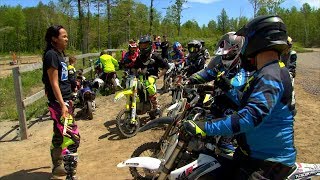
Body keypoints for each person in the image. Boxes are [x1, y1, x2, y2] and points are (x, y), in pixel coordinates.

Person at [182, 15, 296, 179]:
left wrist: (204, 127)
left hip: (268, 162)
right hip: (249, 154)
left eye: (246, 40)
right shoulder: (267, 71)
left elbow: (250, 117)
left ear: (258, 40)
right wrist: (227, 88)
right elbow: (244, 102)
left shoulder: (270, 74)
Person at [188, 32, 249, 154]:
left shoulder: (244, 66)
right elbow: (207, 73)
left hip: (234, 107)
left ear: (236, 49)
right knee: (205, 129)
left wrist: (227, 86)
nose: (224, 54)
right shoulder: (221, 62)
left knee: (223, 145)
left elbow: (237, 85)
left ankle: (228, 146)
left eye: (228, 49)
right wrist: (190, 79)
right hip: (218, 102)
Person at [42, 25, 80, 180]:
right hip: (60, 103)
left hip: (65, 101)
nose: (66, 38)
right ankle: (68, 171)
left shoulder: (59, 55)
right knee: (72, 136)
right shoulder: (51, 55)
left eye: (67, 36)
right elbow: (54, 82)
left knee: (59, 134)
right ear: (54, 38)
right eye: (63, 36)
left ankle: (58, 167)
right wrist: (62, 104)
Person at [133, 35, 169, 114]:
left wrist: (159, 75)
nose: (143, 47)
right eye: (141, 45)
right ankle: (141, 105)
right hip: (142, 76)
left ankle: (156, 106)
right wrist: (137, 71)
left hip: (151, 76)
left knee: (149, 85)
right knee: (135, 86)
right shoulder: (139, 57)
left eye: (145, 45)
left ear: (149, 45)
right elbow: (135, 67)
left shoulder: (155, 56)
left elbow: (166, 66)